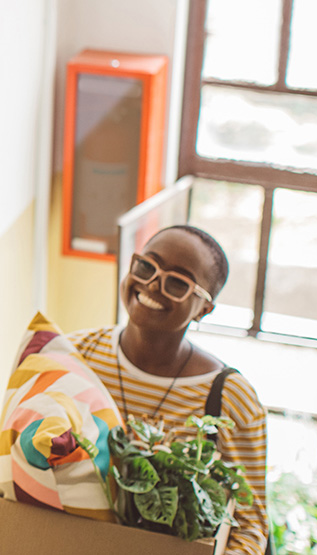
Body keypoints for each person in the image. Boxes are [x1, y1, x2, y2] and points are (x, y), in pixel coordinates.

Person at [67, 225, 268, 554]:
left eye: (177, 281)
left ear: (204, 308)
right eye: (147, 265)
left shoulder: (231, 399)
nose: (152, 284)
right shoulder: (75, 355)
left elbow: (250, 525)